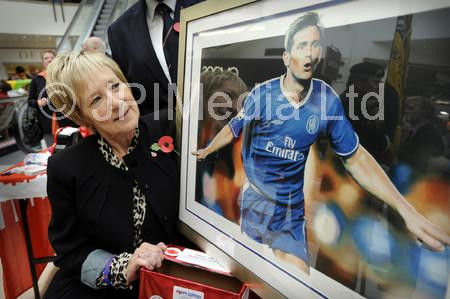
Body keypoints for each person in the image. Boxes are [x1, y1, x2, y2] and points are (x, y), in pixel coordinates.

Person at [192, 12, 449, 273]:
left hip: (293, 215)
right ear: (286, 56)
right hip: (254, 209)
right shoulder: (260, 98)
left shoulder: (326, 102)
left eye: (315, 45)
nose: (310, 52)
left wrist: (407, 210)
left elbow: (353, 156)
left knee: (297, 278)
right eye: (302, 45)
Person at [44, 51, 180, 298]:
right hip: (99, 287)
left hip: (169, 278)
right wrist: (121, 268)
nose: (116, 102)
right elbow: (71, 250)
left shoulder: (169, 129)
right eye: (96, 100)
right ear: (82, 117)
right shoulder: (65, 167)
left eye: (116, 86)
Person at [107, 0, 203, 116]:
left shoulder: (207, 3)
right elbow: (130, 95)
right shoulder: (119, 31)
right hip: (161, 131)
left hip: (219, 120)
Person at [399, 96, 445, 172]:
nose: (406, 111)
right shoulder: (415, 131)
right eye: (406, 108)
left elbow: (420, 164)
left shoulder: (430, 135)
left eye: (411, 108)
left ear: (424, 112)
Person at [28, 50, 57, 146]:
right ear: (43, 62)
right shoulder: (37, 79)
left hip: (66, 121)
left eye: (51, 58)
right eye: (46, 58)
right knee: (52, 150)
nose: (49, 60)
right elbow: (30, 101)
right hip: (46, 123)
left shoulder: (63, 76)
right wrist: (38, 102)